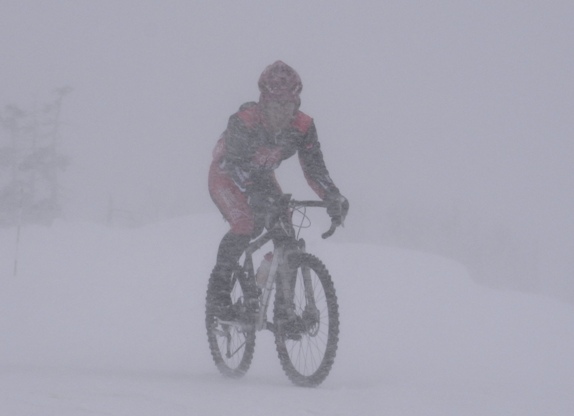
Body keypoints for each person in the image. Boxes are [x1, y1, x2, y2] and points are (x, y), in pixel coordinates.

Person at [208, 60, 349, 321]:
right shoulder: (244, 123)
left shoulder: (302, 127)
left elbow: (315, 168)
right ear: (263, 102)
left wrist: (332, 196)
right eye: (275, 105)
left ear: (296, 104)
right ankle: (219, 297)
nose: (283, 113)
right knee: (245, 223)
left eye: (289, 106)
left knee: (287, 235)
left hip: (260, 175)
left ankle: (285, 313)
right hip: (226, 175)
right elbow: (236, 165)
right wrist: (254, 195)